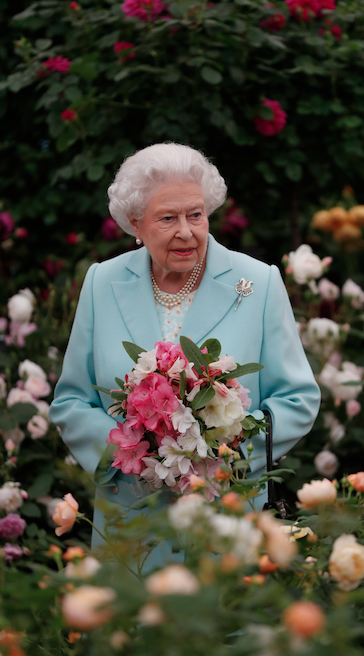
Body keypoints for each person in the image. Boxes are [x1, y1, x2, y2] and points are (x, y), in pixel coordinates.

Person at [49, 142, 320, 567]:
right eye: (167, 218)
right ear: (135, 223)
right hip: (132, 516)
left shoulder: (258, 282)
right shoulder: (102, 283)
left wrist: (218, 453)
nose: (186, 231)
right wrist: (130, 456)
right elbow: (71, 401)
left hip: (226, 511)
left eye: (196, 215)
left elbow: (298, 399)